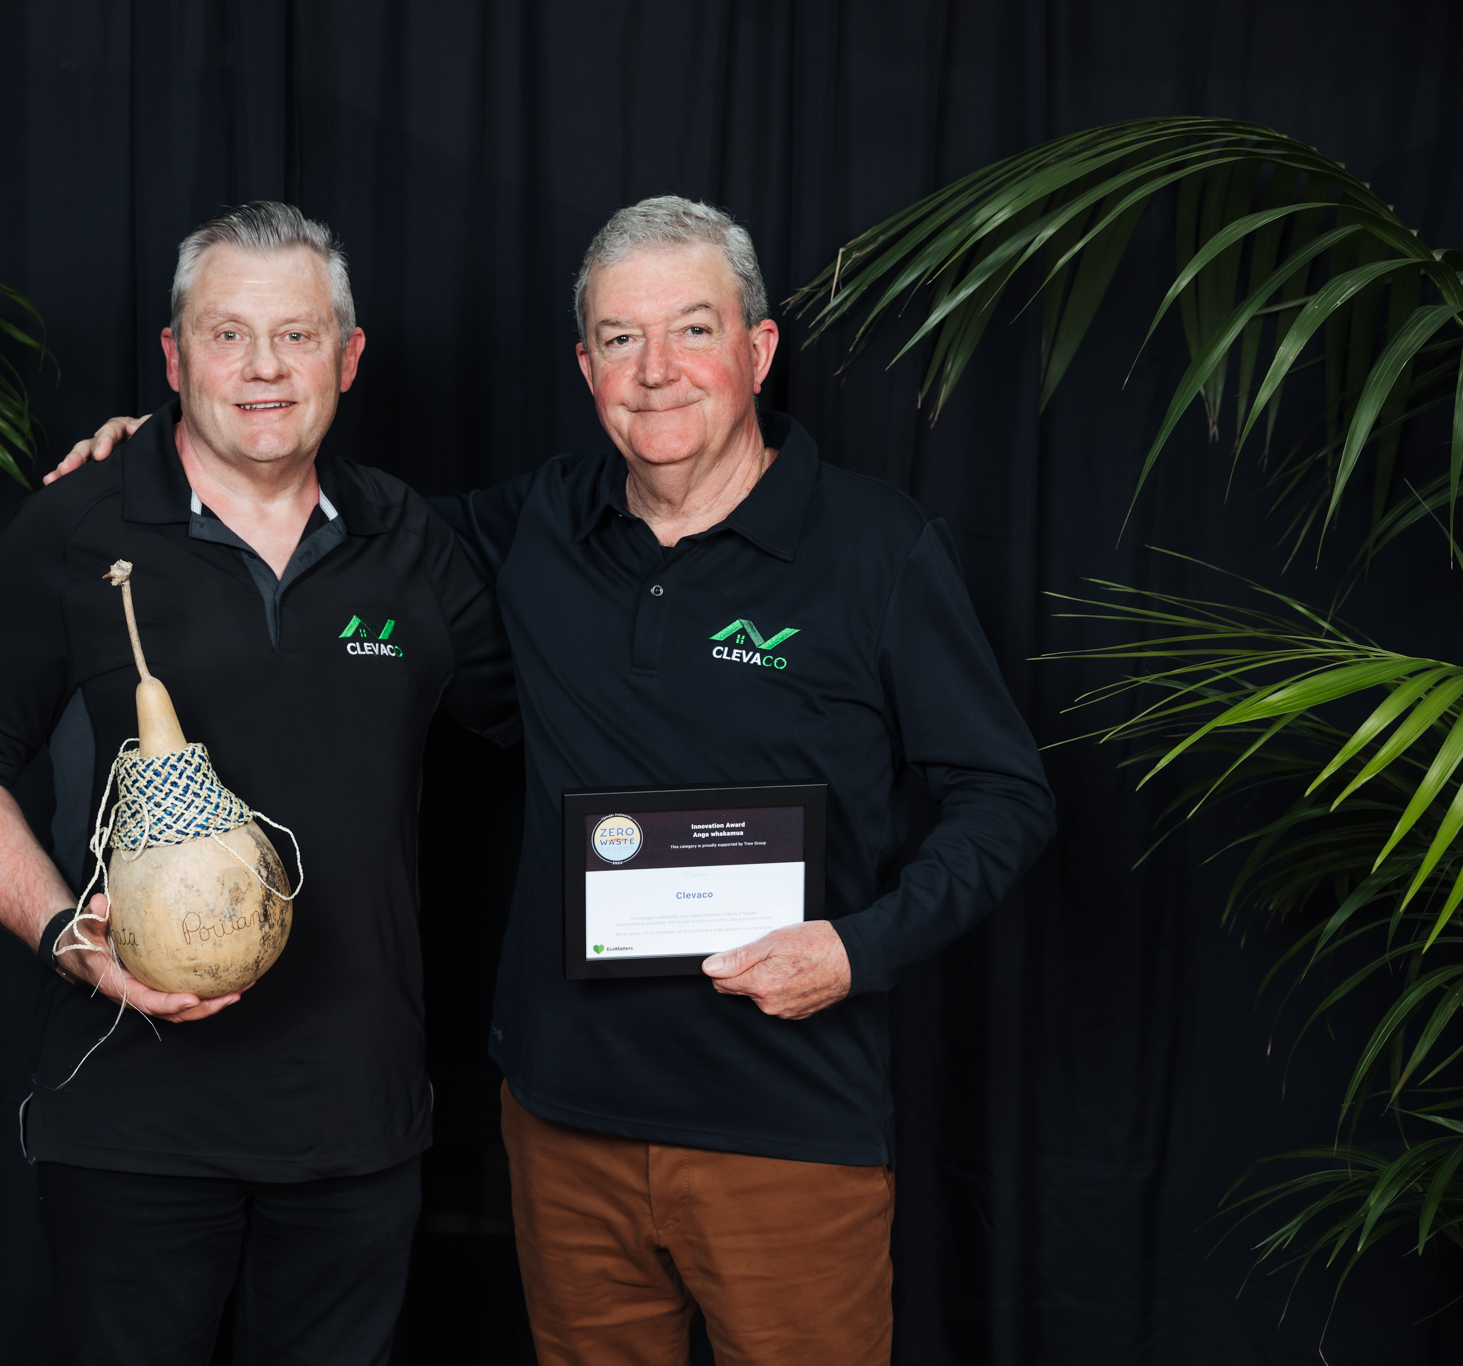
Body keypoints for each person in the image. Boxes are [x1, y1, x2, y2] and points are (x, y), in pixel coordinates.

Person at [53, 196, 1055, 1366]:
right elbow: (310, 521)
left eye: (691, 330)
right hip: (563, 1123)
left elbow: (1004, 795)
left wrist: (857, 946)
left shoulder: (873, 548)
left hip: (786, 1126)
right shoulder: (531, 526)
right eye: (620, 340)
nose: (655, 371)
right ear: (584, 366)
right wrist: (178, 451)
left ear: (758, 348)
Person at [0, 202, 515, 1366]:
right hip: (131, 1121)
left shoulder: (410, 541)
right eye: (227, 336)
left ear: (348, 354)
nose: (265, 369)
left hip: (354, 1119)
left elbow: (540, 717)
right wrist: (62, 936)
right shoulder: (78, 526)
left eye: (295, 335)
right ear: (175, 357)